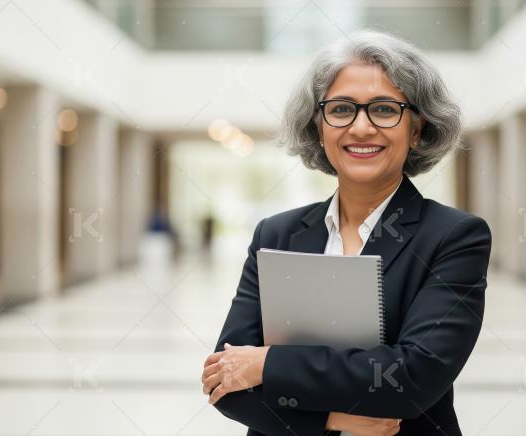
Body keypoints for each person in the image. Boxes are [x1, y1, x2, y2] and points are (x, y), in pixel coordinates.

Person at [201, 29, 492, 436]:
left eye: (384, 109)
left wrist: (267, 364)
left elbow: (411, 379)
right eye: (341, 109)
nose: (361, 127)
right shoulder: (276, 233)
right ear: (319, 126)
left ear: (416, 129)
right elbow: (224, 381)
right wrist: (331, 421)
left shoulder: (455, 237)